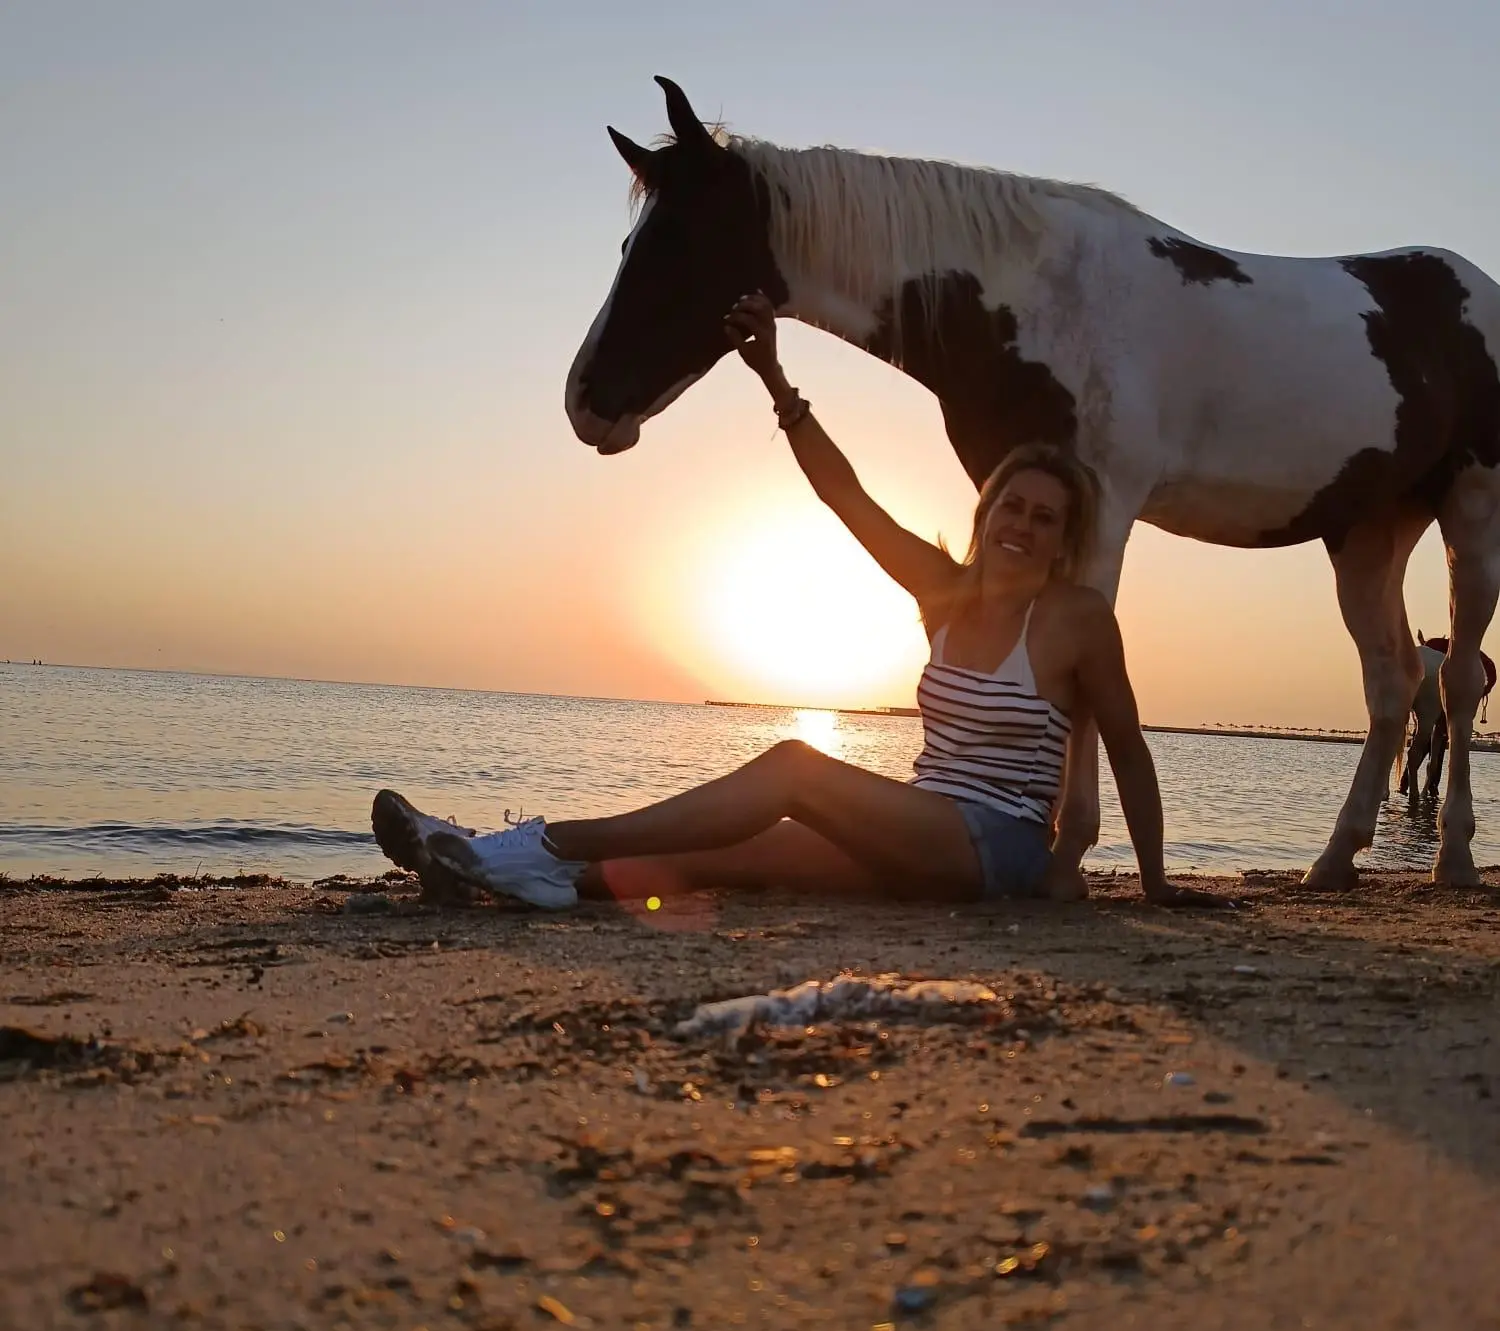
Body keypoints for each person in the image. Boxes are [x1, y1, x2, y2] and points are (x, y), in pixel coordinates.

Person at [373, 293, 1218, 910]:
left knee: (792, 769)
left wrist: (1153, 884)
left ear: (1062, 537)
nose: (1022, 527)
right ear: (985, 510)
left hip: (996, 845)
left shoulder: (1074, 619)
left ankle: (542, 840)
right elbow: (845, 495)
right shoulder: (944, 592)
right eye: (1011, 507)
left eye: (1044, 518)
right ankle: (498, 874)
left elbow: (1127, 750)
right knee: (738, 852)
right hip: (921, 823)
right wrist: (775, 377)